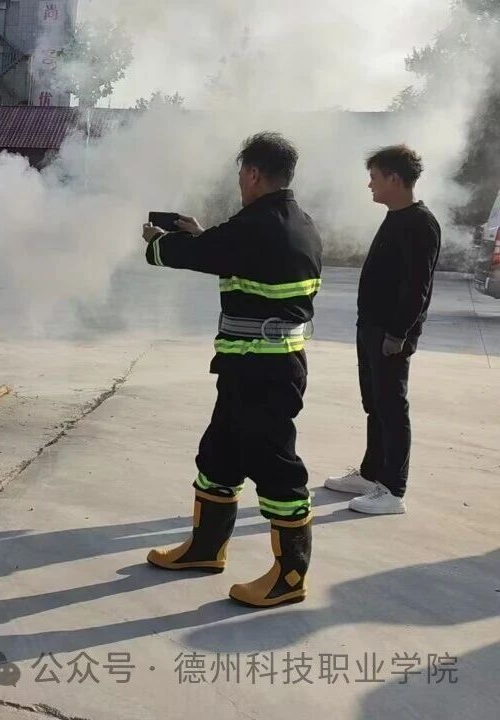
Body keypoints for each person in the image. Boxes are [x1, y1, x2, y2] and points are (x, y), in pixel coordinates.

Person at [141, 132, 323, 609]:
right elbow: (236, 253)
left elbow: (201, 253)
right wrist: (202, 234)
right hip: (255, 368)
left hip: (264, 372)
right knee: (219, 455)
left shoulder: (258, 225)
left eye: (242, 173)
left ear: (254, 174)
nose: (240, 181)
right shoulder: (297, 222)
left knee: (277, 469)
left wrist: (161, 242)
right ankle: (206, 548)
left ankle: (290, 575)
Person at [325, 146, 441, 515]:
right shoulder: (395, 217)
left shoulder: (420, 223)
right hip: (371, 326)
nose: (369, 184)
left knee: (391, 405)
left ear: (394, 178)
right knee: (374, 403)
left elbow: (417, 287)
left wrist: (397, 334)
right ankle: (371, 473)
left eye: (374, 177)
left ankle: (393, 489)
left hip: (391, 333)